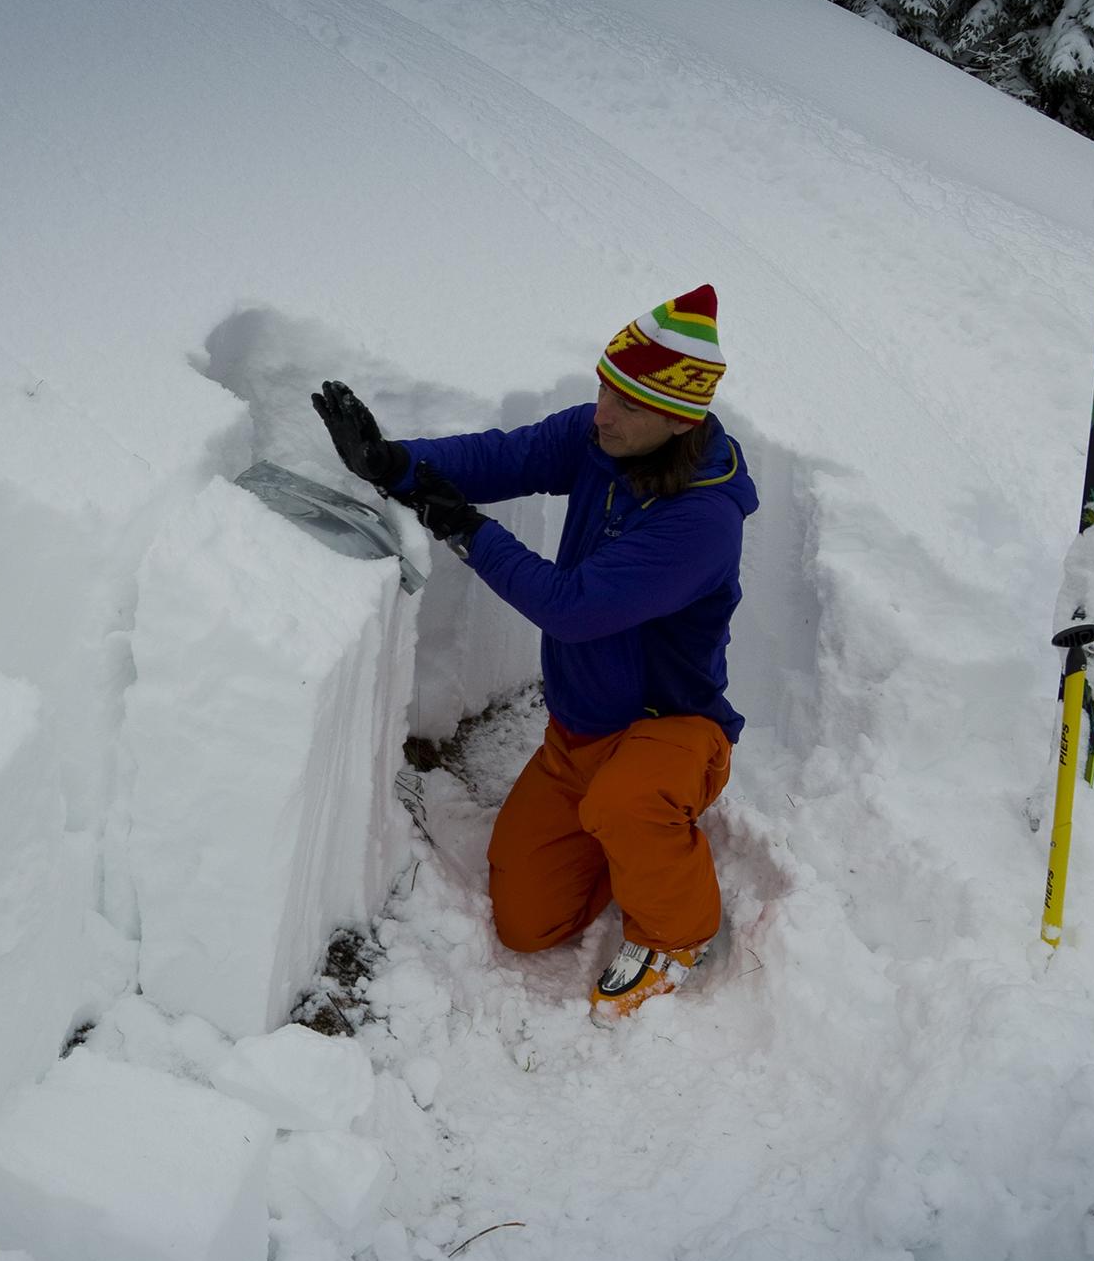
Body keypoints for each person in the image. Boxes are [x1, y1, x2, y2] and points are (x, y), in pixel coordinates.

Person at [312, 285, 759, 1021]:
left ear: (680, 420)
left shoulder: (702, 521)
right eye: (603, 389)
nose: (602, 413)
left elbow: (572, 608)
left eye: (628, 404)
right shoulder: (604, 436)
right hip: (580, 733)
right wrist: (395, 465)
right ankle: (634, 843)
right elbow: (505, 457)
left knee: (627, 800)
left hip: (671, 730)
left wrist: (466, 530)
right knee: (526, 921)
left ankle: (676, 931)